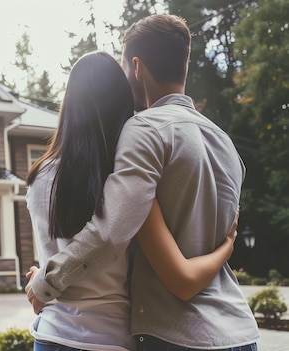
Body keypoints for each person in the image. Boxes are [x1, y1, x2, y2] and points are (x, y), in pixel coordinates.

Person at [26, 14, 259, 351]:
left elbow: (111, 231)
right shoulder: (225, 142)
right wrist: (226, 248)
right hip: (239, 329)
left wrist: (45, 280)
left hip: (176, 335)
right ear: (184, 64)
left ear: (136, 66)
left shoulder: (144, 132)